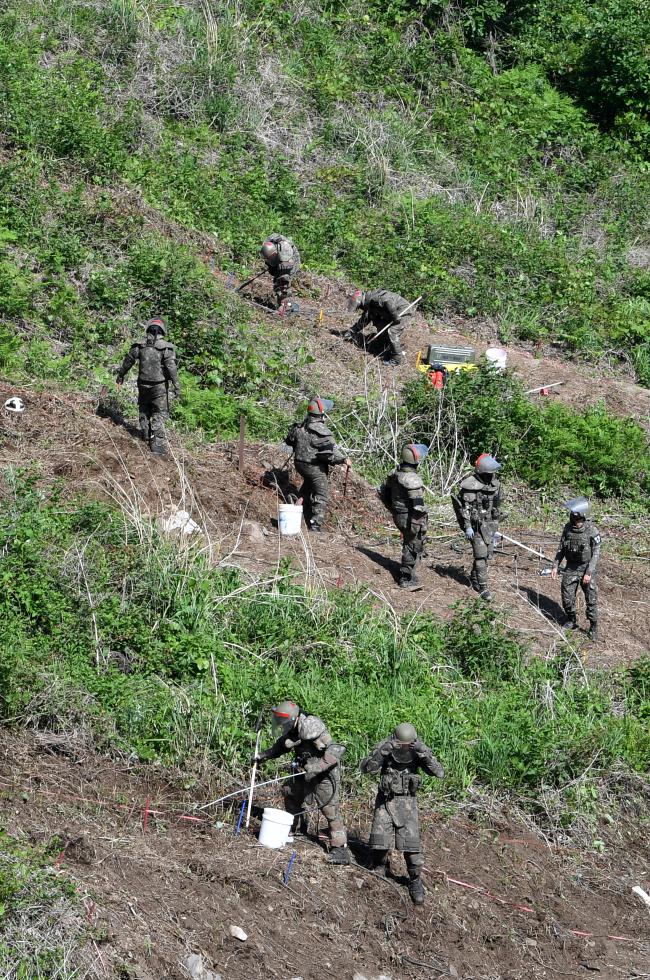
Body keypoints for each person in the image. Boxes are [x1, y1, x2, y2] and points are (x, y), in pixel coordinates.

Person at [254, 700, 350, 865]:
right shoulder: (293, 729)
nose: (280, 725)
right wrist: (262, 756)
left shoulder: (310, 727)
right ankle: (295, 828)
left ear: (292, 719)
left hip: (325, 773)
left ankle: (340, 848)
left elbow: (336, 749)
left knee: (329, 809)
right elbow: (280, 747)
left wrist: (318, 767)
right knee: (290, 791)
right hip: (304, 768)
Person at [360, 723, 444, 905]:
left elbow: (439, 772)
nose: (404, 749)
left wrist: (424, 754)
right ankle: (380, 867)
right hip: (386, 800)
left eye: (408, 745)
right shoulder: (386, 746)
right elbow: (367, 768)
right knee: (379, 842)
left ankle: (415, 880)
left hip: (408, 803)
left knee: (412, 849)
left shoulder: (418, 750)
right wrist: (383, 752)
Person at [116, 317, 180, 455]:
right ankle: (156, 444)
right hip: (159, 386)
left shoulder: (139, 346)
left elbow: (128, 362)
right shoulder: (166, 347)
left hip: (142, 384)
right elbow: (171, 368)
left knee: (144, 407)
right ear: (163, 330)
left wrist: (120, 376)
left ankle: (145, 433)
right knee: (160, 412)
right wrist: (177, 385)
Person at [285, 397, 350, 532]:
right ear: (322, 413)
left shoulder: (300, 427)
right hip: (314, 467)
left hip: (299, 464)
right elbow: (329, 455)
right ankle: (315, 525)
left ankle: (295, 506)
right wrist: (343, 460)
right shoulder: (322, 431)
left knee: (307, 487)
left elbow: (289, 441)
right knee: (321, 494)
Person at [378, 443, 429, 590]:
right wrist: (419, 524)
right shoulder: (412, 480)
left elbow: (384, 491)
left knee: (410, 543)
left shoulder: (395, 473)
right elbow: (418, 507)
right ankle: (406, 578)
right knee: (413, 545)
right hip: (410, 517)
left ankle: (409, 573)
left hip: (399, 514)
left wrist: (393, 509)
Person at [551, 497, 601, 640]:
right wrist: (555, 565)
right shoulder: (567, 528)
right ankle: (571, 619)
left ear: (582, 515)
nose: (574, 519)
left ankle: (593, 626)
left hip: (586, 568)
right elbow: (561, 548)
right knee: (567, 598)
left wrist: (589, 572)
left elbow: (596, 552)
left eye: (576, 516)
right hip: (571, 568)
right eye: (573, 515)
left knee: (591, 600)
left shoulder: (592, 530)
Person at [454, 454, 502, 600]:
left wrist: (497, 519)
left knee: (487, 555)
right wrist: (467, 526)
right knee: (480, 556)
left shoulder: (495, 485)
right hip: (475, 526)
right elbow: (464, 509)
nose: (491, 476)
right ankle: (483, 588)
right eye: (488, 473)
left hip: (490, 526)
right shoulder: (469, 486)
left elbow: (497, 505)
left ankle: (474, 579)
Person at [347, 289, 414, 365]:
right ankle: (386, 347)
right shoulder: (369, 303)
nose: (361, 308)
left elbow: (388, 302)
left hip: (403, 310)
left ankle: (396, 358)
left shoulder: (374, 299)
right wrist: (351, 332)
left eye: (360, 306)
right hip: (393, 311)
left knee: (392, 331)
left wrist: (395, 316)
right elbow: (365, 320)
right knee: (380, 325)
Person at [260, 234, 300, 309]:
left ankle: (285, 305)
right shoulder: (268, 244)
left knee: (283, 282)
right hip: (279, 257)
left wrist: (282, 287)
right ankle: (281, 303)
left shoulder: (285, 251)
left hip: (291, 259)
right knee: (277, 279)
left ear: (274, 253)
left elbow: (284, 276)